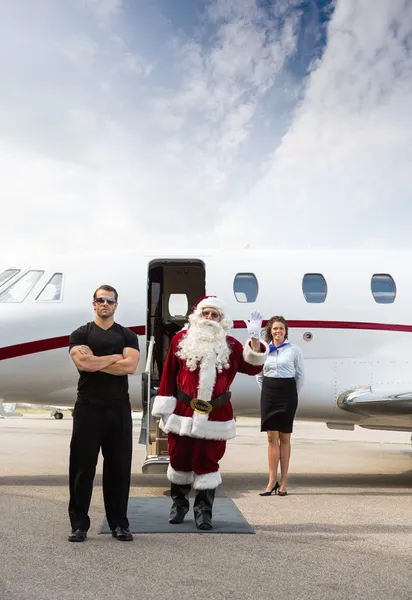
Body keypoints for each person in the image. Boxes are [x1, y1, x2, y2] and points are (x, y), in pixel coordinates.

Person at [151, 296, 268, 530]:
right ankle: (179, 504)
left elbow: (253, 366)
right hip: (183, 411)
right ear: (197, 315)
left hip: (216, 414)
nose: (210, 318)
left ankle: (204, 512)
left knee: (207, 463)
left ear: (221, 320)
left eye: (215, 315)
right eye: (206, 313)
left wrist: (255, 340)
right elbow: (168, 376)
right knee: (179, 459)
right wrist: (164, 408)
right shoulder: (180, 340)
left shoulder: (231, 345)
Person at [67, 285, 140, 542]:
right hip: (88, 408)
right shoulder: (80, 334)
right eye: (101, 300)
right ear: (94, 303)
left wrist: (98, 360)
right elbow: (83, 363)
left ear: (116, 305)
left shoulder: (128, 336)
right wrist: (113, 358)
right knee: (82, 467)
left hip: (119, 408)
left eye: (110, 300)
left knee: (119, 468)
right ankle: (79, 525)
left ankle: (119, 524)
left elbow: (130, 366)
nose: (105, 304)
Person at [257, 316, 304, 497]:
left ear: (286, 331)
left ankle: (283, 482)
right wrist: (268, 391)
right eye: (275, 329)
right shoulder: (264, 350)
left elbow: (300, 376)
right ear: (270, 331)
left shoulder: (293, 350)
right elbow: (258, 375)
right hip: (269, 393)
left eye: (281, 329)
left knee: (285, 437)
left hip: (287, 394)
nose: (278, 332)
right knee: (271, 438)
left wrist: (291, 394)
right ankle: (271, 481)